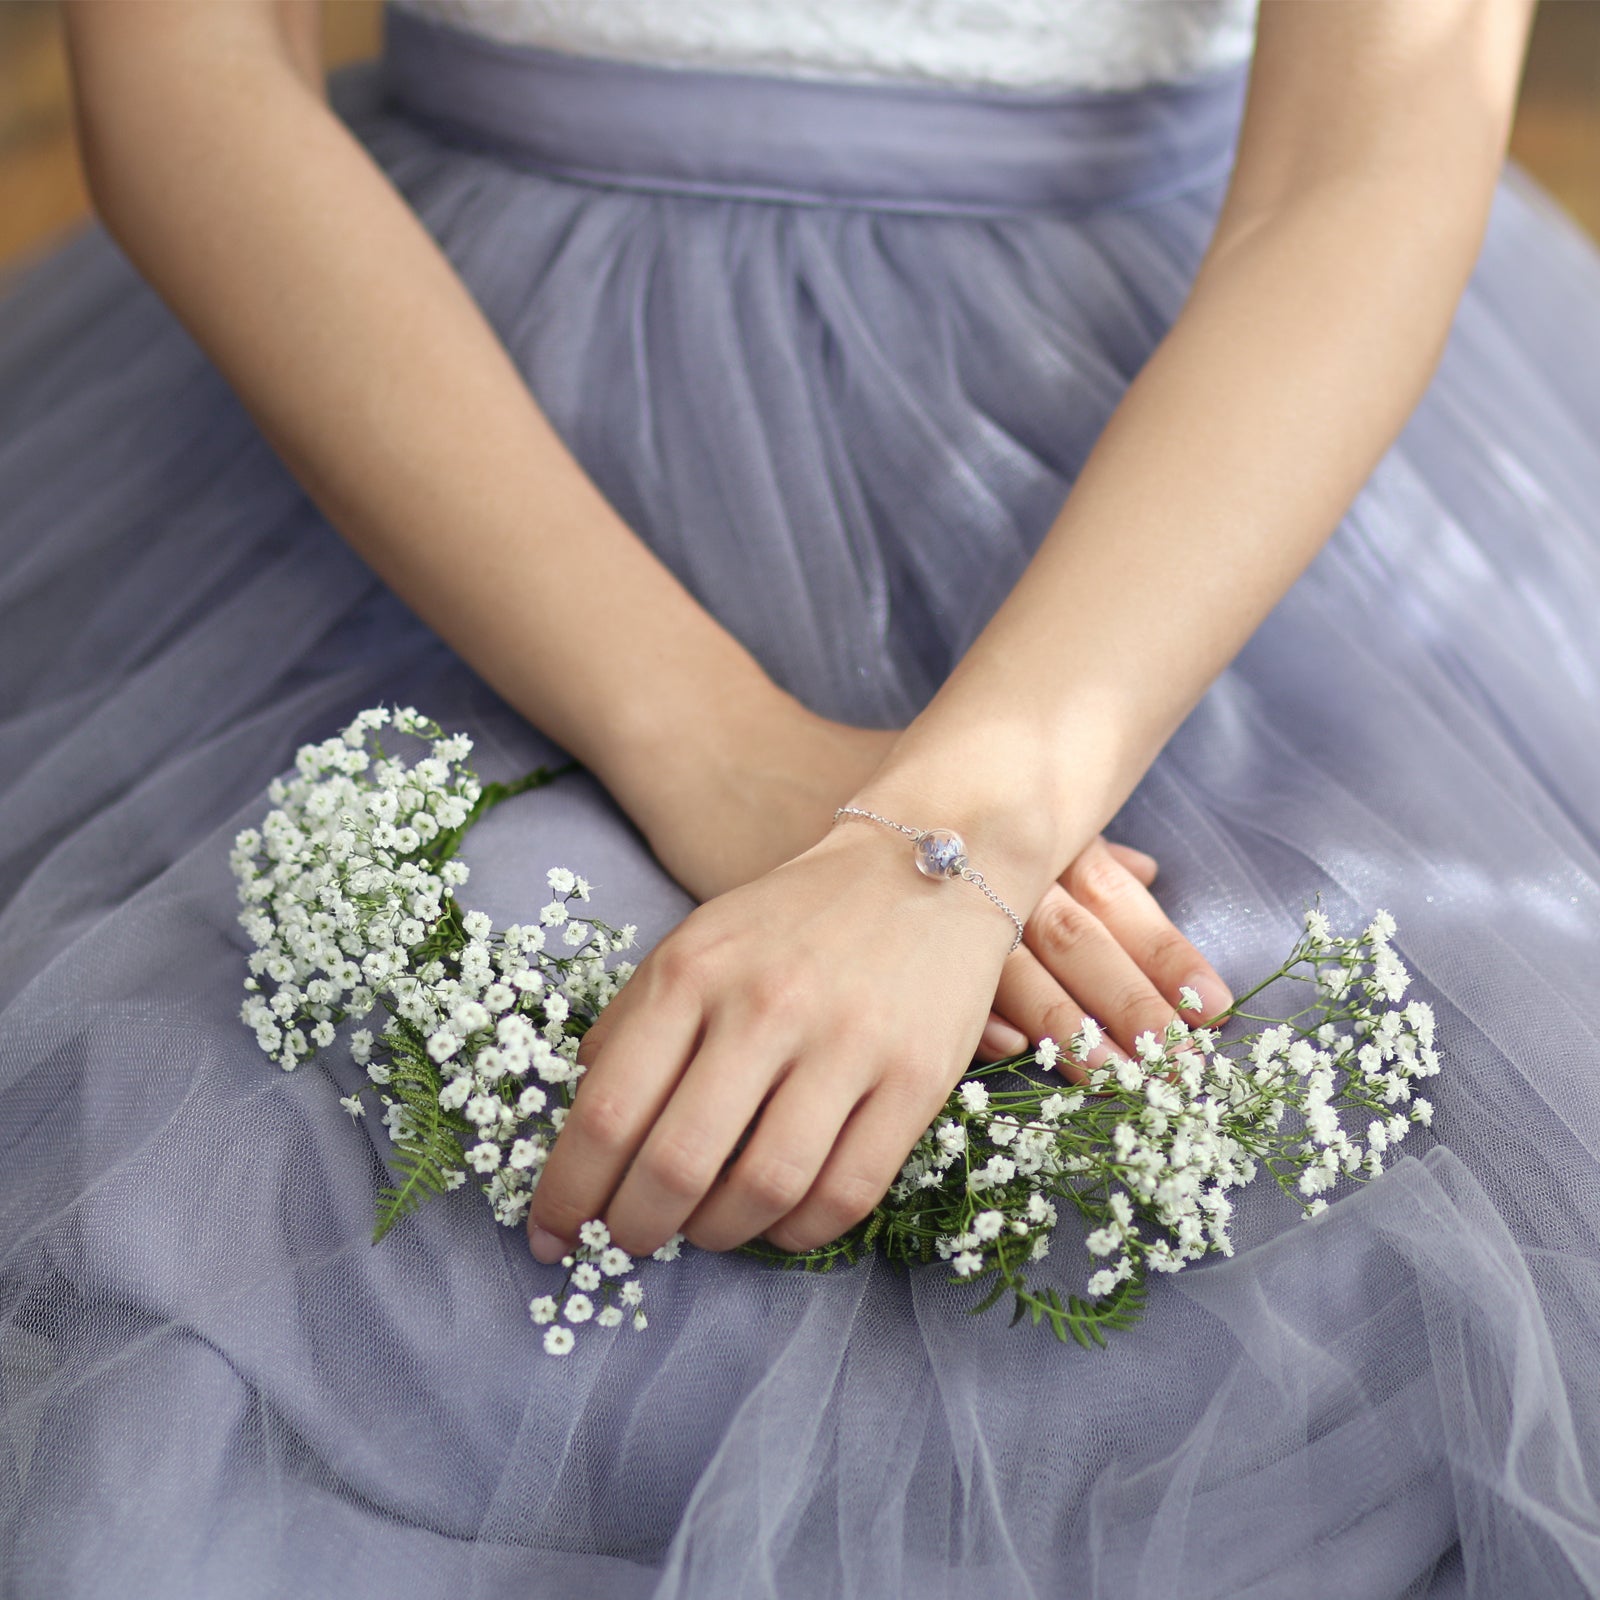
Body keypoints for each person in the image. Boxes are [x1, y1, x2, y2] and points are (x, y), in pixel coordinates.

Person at [2, 0, 1597, 1593]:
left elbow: (1359, 159)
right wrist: (710, 743)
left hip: (1195, 437)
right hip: (422, 385)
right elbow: (193, 60)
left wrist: (975, 820)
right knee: (247, 1180)